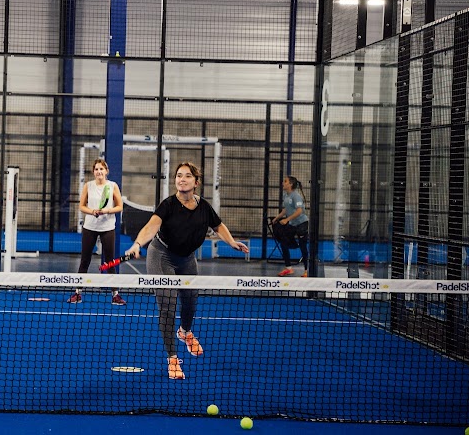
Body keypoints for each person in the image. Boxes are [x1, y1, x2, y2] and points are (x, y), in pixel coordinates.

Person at [125, 162, 249, 380]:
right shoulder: (168, 205)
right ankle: (172, 359)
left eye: (187, 176)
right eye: (179, 176)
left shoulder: (204, 207)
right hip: (161, 256)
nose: (182, 179)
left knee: (191, 300)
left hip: (187, 259)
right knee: (168, 304)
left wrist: (231, 242)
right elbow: (151, 226)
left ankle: (185, 332)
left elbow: (218, 225)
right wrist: (137, 244)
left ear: (196, 182)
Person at [67, 159, 126, 305]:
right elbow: (82, 206)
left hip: (107, 228)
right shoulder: (88, 186)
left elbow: (119, 206)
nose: (99, 172)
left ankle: (115, 295)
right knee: (84, 260)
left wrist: (106, 211)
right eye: (96, 169)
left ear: (106, 171)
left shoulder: (112, 186)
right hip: (90, 227)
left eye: (101, 169)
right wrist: (92, 211)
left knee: (110, 262)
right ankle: (77, 293)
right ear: (94, 172)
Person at [271, 175, 309, 277]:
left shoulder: (296, 196)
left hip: (301, 223)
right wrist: (277, 218)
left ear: (290, 184)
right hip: (292, 224)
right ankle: (288, 268)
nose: (283, 183)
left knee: (303, 247)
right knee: (283, 242)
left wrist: (287, 219)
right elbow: (286, 209)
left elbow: (300, 211)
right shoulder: (285, 195)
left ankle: (306, 270)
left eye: (285, 181)